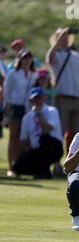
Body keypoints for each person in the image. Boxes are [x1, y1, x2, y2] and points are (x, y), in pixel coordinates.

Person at [46, 27, 79, 155]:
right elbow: (50, 57)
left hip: (77, 99)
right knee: (59, 132)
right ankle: (55, 163)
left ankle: (72, 162)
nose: (64, 40)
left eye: (66, 38)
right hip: (63, 98)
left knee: (77, 134)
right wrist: (60, 37)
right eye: (61, 38)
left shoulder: (77, 56)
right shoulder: (57, 55)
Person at [13, 87, 64, 179]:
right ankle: (39, 170)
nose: (37, 101)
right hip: (38, 150)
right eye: (34, 99)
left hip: (54, 148)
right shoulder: (27, 117)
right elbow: (23, 141)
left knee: (44, 139)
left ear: (44, 98)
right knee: (17, 167)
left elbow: (47, 129)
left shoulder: (52, 111)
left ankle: (44, 172)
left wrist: (38, 115)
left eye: (39, 98)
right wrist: (20, 157)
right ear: (30, 100)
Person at [3, 49, 38, 177]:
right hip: (15, 106)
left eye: (29, 57)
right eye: (24, 57)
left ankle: (21, 166)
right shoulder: (13, 73)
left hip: (28, 108)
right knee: (13, 137)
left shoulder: (34, 74)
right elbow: (7, 90)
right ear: (20, 59)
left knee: (26, 138)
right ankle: (11, 167)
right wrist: (6, 106)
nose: (27, 60)